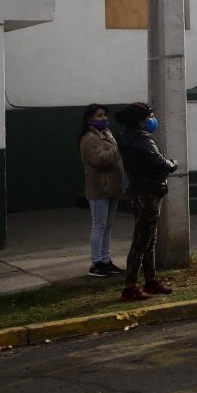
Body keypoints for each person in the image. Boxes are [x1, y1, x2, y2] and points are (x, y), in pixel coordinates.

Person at [114, 102, 178, 302]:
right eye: (150, 117)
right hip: (148, 193)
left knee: (149, 240)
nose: (153, 120)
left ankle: (151, 280)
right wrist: (173, 163)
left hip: (138, 192)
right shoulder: (142, 139)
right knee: (142, 242)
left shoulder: (126, 137)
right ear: (140, 121)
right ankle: (130, 287)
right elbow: (159, 162)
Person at [78, 103, 125, 278]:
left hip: (112, 187)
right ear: (89, 119)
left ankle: (106, 260)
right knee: (99, 226)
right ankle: (96, 263)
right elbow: (99, 159)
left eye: (104, 115)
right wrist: (118, 150)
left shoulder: (106, 133)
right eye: (99, 115)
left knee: (108, 226)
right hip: (99, 188)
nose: (104, 118)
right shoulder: (89, 138)